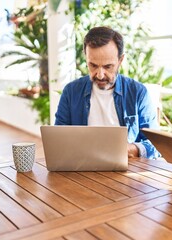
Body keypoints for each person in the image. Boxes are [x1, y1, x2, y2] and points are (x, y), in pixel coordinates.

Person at [55, 26, 159, 159]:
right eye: (93, 65)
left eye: (107, 66)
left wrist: (130, 149)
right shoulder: (71, 92)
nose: (99, 74)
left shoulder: (138, 92)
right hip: (81, 168)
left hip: (127, 171)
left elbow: (156, 146)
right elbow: (58, 140)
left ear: (120, 60)